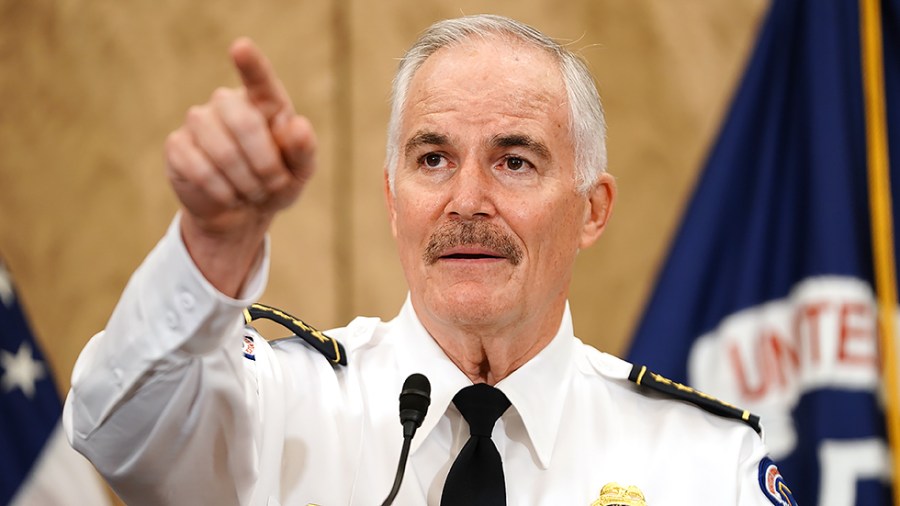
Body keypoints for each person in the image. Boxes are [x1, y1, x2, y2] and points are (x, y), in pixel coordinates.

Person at [63, 14, 796, 506]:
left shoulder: (706, 465)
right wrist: (212, 248)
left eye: (514, 161)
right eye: (434, 158)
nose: (466, 200)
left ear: (592, 210)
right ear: (392, 198)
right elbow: (115, 424)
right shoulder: (283, 407)